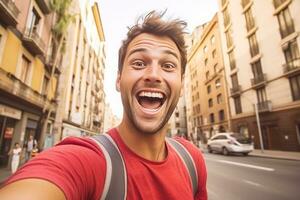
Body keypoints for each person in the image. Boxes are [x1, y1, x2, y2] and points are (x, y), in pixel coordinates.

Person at [0, 11, 207, 199]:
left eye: (168, 65)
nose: (153, 75)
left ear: (181, 83)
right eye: (139, 63)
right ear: (118, 80)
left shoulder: (192, 160)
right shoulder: (86, 160)